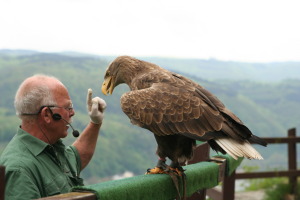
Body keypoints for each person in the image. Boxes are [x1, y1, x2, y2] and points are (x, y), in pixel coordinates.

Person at [0, 74, 106, 199]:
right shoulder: (19, 170)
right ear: (47, 115)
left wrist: (95, 122)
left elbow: (77, 157)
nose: (72, 113)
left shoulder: (50, 148)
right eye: (68, 107)